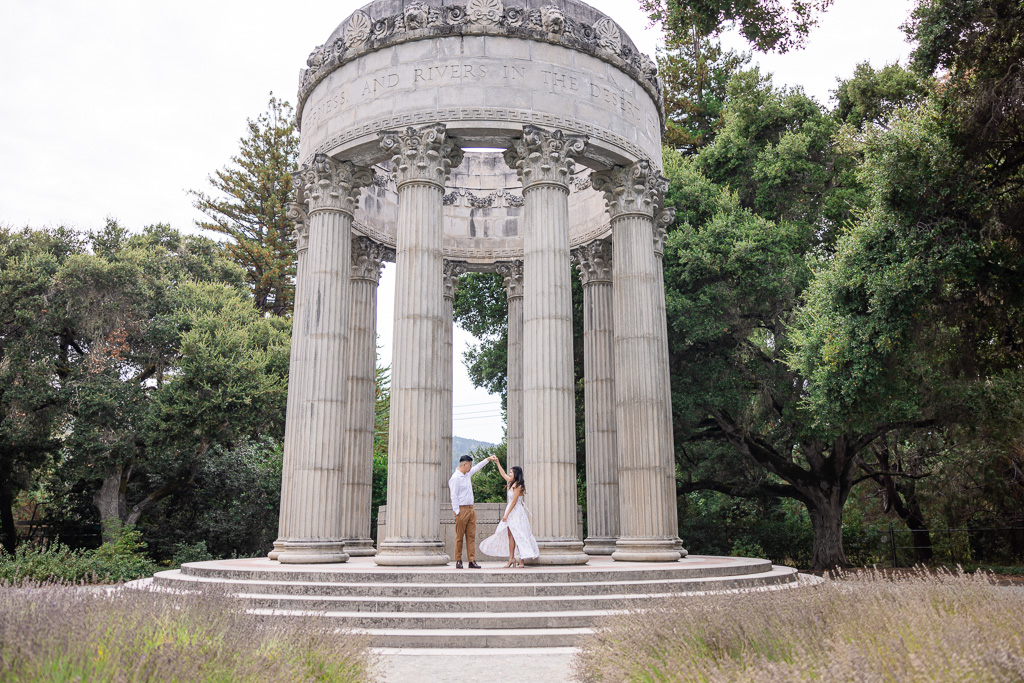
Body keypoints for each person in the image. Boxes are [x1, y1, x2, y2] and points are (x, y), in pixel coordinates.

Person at [479, 460, 539, 567]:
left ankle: (522, 559)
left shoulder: (519, 486)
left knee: (519, 534)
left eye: (511, 472)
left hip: (517, 512)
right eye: (510, 472)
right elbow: (503, 474)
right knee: (510, 535)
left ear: (516, 474)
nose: (510, 474)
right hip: (510, 511)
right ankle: (511, 558)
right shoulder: (511, 483)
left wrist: (506, 515)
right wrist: (497, 463)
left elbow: (514, 501)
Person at [449, 454, 495, 569]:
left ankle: (471, 560)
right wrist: (457, 512)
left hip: (471, 509)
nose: (470, 467)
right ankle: (458, 560)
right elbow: (453, 496)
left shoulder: (467, 474)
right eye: (469, 465)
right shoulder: (455, 478)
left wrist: (488, 459)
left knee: (471, 536)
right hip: (461, 509)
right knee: (459, 536)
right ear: (464, 464)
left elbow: (477, 467)